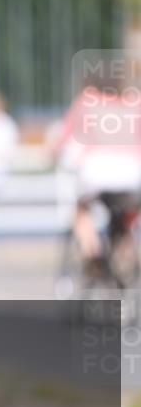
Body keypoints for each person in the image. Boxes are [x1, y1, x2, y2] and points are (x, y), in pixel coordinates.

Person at [53, 71, 141, 278]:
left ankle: (93, 253)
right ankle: (127, 256)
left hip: (98, 173)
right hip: (133, 174)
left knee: (81, 211)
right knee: (126, 214)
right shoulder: (135, 103)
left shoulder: (86, 102)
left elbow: (63, 139)